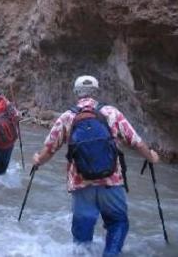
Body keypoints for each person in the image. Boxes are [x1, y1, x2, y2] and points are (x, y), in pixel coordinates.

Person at [32, 75, 160, 256]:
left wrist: (37, 160)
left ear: (76, 93)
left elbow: (50, 149)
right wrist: (152, 157)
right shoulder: (112, 113)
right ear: (97, 91)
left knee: (82, 237)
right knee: (118, 223)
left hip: (81, 184)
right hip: (111, 183)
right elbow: (136, 142)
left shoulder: (68, 117)